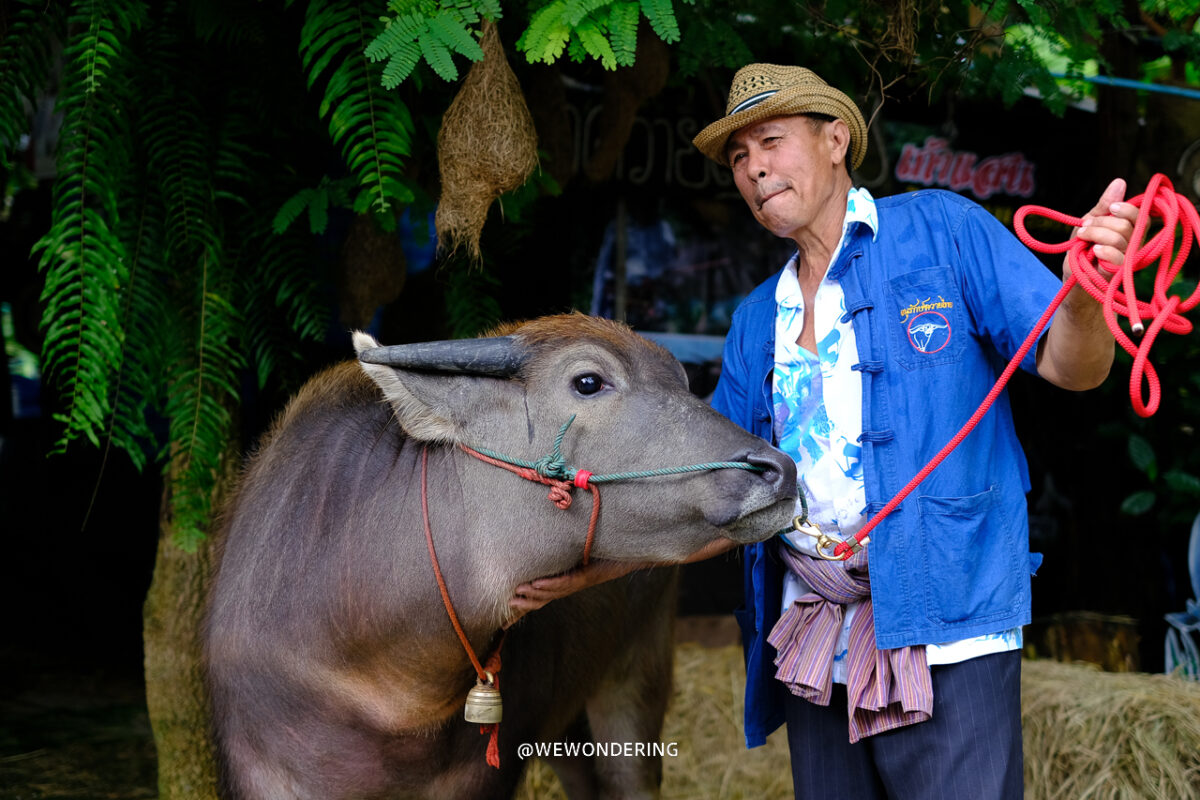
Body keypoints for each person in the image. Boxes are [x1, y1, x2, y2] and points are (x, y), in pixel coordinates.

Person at [510, 63, 1136, 799]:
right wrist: (590, 574)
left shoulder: (944, 230)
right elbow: (725, 498)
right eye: (739, 157)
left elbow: (1075, 367)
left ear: (836, 138)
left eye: (770, 140)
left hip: (948, 626)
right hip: (814, 640)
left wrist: (1091, 293)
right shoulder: (754, 321)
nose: (754, 168)